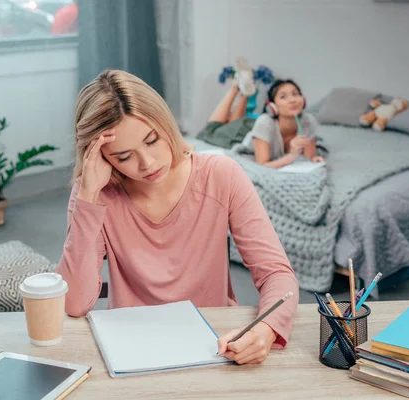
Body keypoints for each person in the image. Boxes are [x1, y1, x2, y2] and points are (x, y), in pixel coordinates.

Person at [57, 69, 299, 365]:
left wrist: (266, 329)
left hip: (215, 345)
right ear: (101, 157)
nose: (147, 163)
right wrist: (88, 199)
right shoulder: (93, 195)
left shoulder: (220, 175)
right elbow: (74, 303)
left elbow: (276, 274)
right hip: (131, 350)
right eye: (123, 157)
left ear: (166, 123)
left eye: (152, 140)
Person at [233, 79, 325, 168]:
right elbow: (262, 166)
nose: (292, 100)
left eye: (295, 94)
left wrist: (313, 160)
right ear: (272, 106)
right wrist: (292, 156)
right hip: (237, 134)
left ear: (303, 100)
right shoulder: (264, 123)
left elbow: (308, 159)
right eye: (283, 97)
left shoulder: (308, 121)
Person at [196, 57, 259, 150]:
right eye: (283, 97)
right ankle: (241, 91)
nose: (289, 100)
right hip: (239, 130)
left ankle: (237, 86)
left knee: (209, 131)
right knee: (228, 127)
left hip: (225, 139)